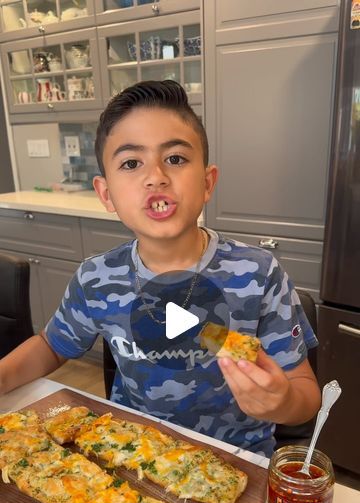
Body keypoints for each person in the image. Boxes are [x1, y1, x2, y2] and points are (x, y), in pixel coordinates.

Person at [0, 80, 320, 456]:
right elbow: (51, 347)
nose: (156, 176)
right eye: (131, 163)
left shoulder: (258, 273)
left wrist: (281, 402)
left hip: (236, 459)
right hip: (134, 453)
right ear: (107, 194)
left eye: (175, 158)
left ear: (206, 182)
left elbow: (306, 393)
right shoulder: (96, 279)